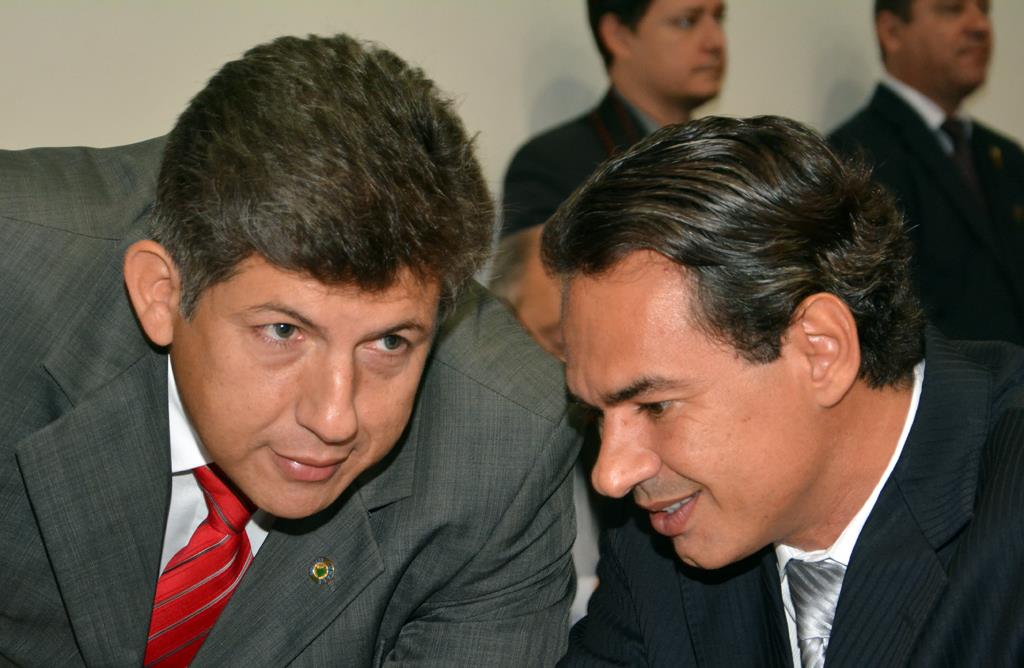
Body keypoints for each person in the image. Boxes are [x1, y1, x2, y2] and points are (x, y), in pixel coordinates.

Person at [0, 34, 578, 666]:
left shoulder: (508, 444)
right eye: (283, 332)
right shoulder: (17, 284)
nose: (334, 419)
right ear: (162, 293)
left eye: (389, 342)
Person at [543, 115, 1024, 665]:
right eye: (596, 415)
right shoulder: (657, 546)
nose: (611, 476)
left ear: (821, 351)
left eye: (655, 406)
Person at [494, 0, 726, 358]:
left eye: (719, 18)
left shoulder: (731, 162)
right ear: (618, 35)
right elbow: (547, 325)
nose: (715, 41)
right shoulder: (554, 164)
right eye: (686, 21)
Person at [830, 0, 1024, 345]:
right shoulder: (854, 157)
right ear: (892, 32)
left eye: (984, 9)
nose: (979, 25)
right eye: (952, 9)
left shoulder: (1007, 157)